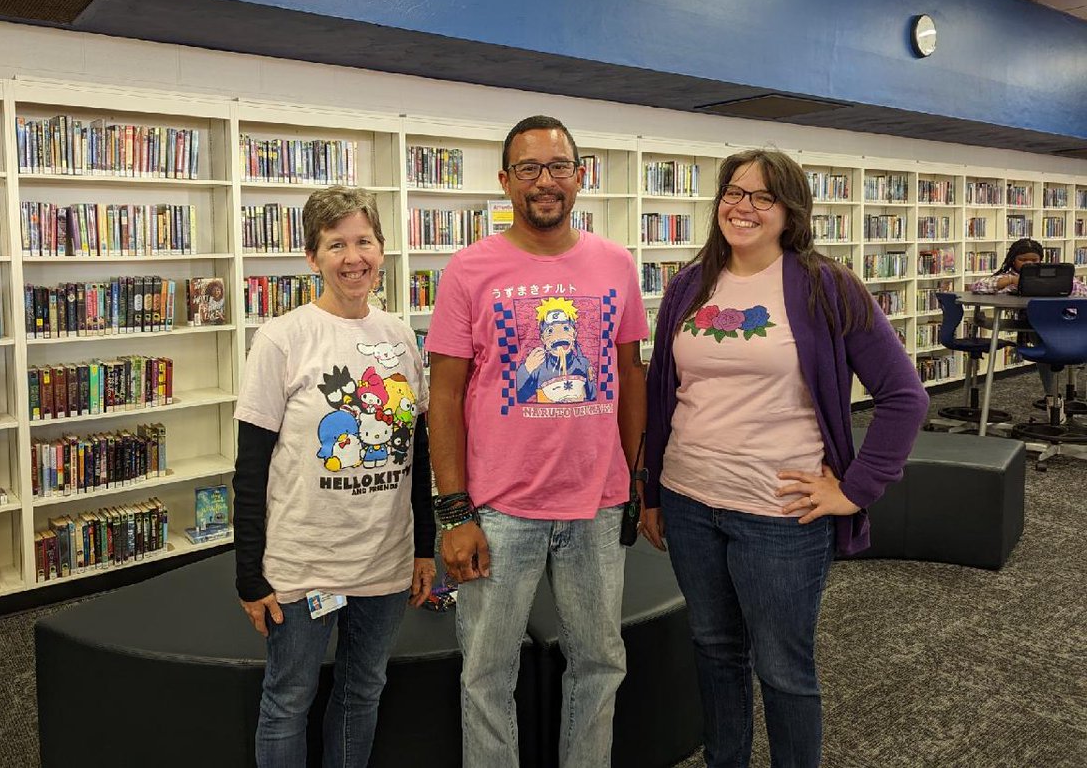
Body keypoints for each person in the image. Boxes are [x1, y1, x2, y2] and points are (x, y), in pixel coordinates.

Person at [642, 149, 929, 768]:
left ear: (789, 210)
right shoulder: (689, 286)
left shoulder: (828, 287)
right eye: (733, 193)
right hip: (690, 501)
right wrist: (654, 493)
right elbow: (664, 392)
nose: (743, 207)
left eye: (762, 197)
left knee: (783, 668)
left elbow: (904, 397)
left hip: (780, 514)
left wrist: (854, 490)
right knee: (714, 650)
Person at [426, 115, 647, 768]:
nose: (544, 182)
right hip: (498, 512)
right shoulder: (469, 269)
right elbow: (443, 396)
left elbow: (631, 375)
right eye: (528, 168)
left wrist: (633, 482)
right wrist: (454, 511)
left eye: (558, 167)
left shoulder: (616, 264)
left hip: (596, 505)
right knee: (487, 674)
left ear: (580, 176)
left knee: (600, 664)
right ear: (505, 181)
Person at [233, 185, 436, 768]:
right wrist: (250, 575)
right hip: (304, 562)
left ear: (382, 249)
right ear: (312, 258)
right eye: (336, 244)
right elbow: (250, 469)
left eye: (364, 241)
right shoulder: (282, 338)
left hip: (384, 559)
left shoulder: (400, 337)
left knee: (362, 691)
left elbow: (416, 457)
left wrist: (422, 550)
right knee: (288, 700)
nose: (354, 258)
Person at [968, 237, 1087, 405]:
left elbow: (1082, 291)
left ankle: (1061, 395)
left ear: (1041, 261)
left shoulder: (1055, 276)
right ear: (1012, 261)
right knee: (1041, 343)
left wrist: (1051, 286)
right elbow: (977, 286)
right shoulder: (1010, 278)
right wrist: (1010, 281)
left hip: (1069, 326)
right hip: (1037, 329)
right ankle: (1051, 396)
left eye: (1034, 260)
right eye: (1022, 260)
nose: (1028, 263)